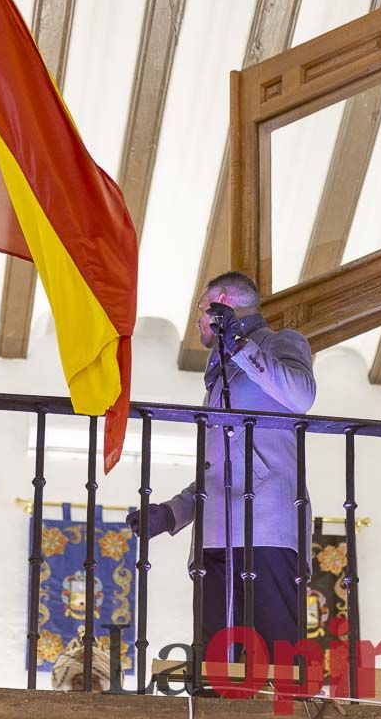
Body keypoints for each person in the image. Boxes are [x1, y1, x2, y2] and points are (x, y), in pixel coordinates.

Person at [127, 271, 315, 655]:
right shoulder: (216, 376)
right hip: (214, 538)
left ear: (223, 301)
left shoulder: (282, 343)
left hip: (268, 532)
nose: (197, 320)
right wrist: (172, 513)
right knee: (217, 668)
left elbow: (302, 395)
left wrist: (241, 345)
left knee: (279, 664)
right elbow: (217, 467)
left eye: (201, 309)